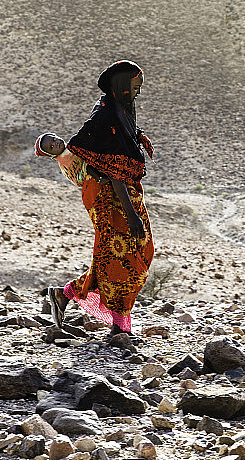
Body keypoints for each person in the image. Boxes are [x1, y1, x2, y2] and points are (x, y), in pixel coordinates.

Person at [36, 60, 155, 338]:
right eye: (134, 88)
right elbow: (111, 170)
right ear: (122, 87)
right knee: (118, 256)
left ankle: (65, 294)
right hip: (109, 198)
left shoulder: (119, 113)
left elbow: (117, 151)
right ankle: (119, 326)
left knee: (137, 252)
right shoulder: (106, 114)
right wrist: (130, 213)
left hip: (125, 195)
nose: (137, 93)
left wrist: (138, 137)